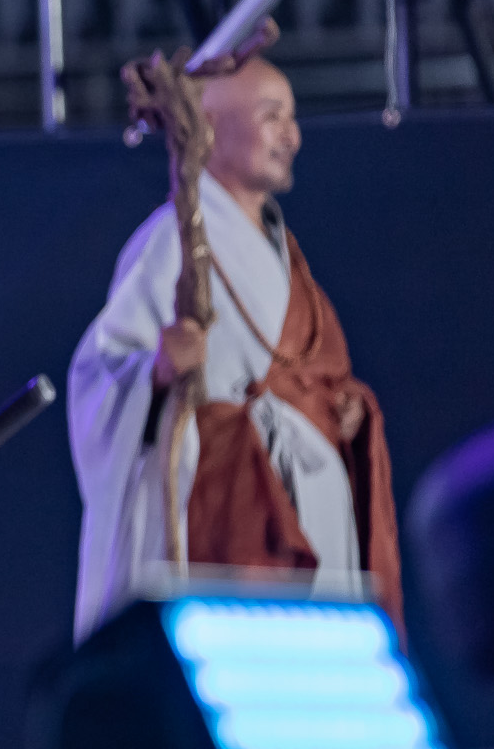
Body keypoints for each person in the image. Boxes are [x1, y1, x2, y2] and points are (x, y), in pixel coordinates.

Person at [68, 54, 399, 639]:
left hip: (310, 503)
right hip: (227, 513)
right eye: (273, 118)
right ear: (212, 129)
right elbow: (100, 376)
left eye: (292, 120)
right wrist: (158, 368)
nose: (292, 137)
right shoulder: (171, 242)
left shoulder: (283, 251)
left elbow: (309, 371)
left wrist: (339, 409)